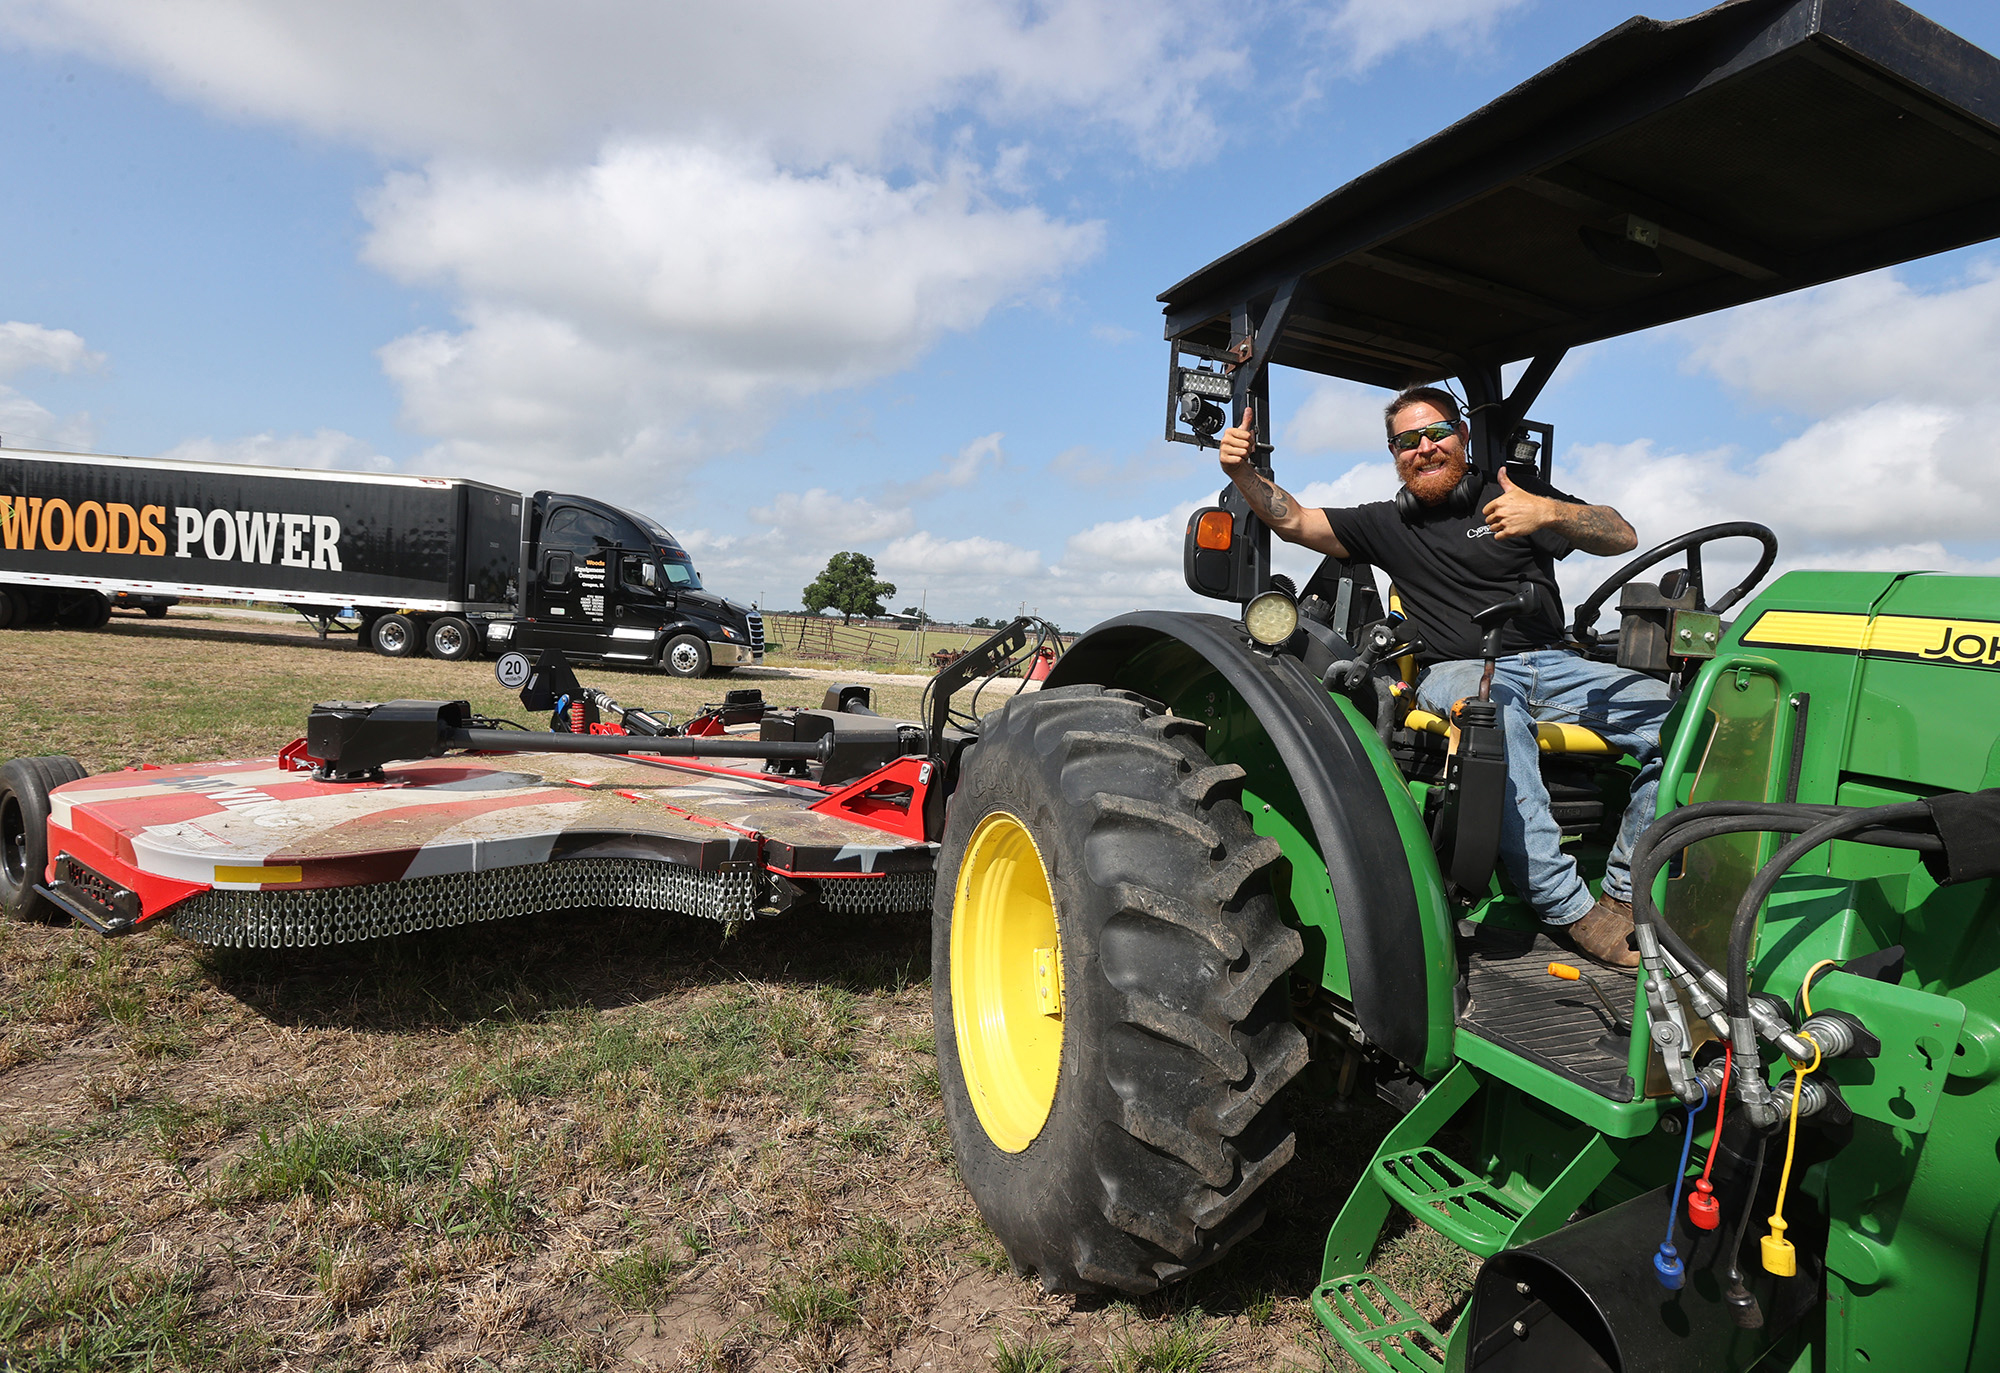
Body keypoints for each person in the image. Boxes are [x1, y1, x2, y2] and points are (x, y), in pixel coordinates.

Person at [1216, 385, 1669, 970]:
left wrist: (1548, 512)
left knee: (1686, 719)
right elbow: (1296, 521)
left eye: (1436, 433)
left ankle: (1623, 894)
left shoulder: (1515, 492)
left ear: (1461, 437)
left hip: (1554, 662)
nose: (1424, 448)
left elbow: (1621, 534)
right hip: (1455, 669)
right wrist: (1243, 470)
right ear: (1394, 454)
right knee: (1490, 716)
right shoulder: (1387, 525)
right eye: (1407, 441)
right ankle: (1568, 908)